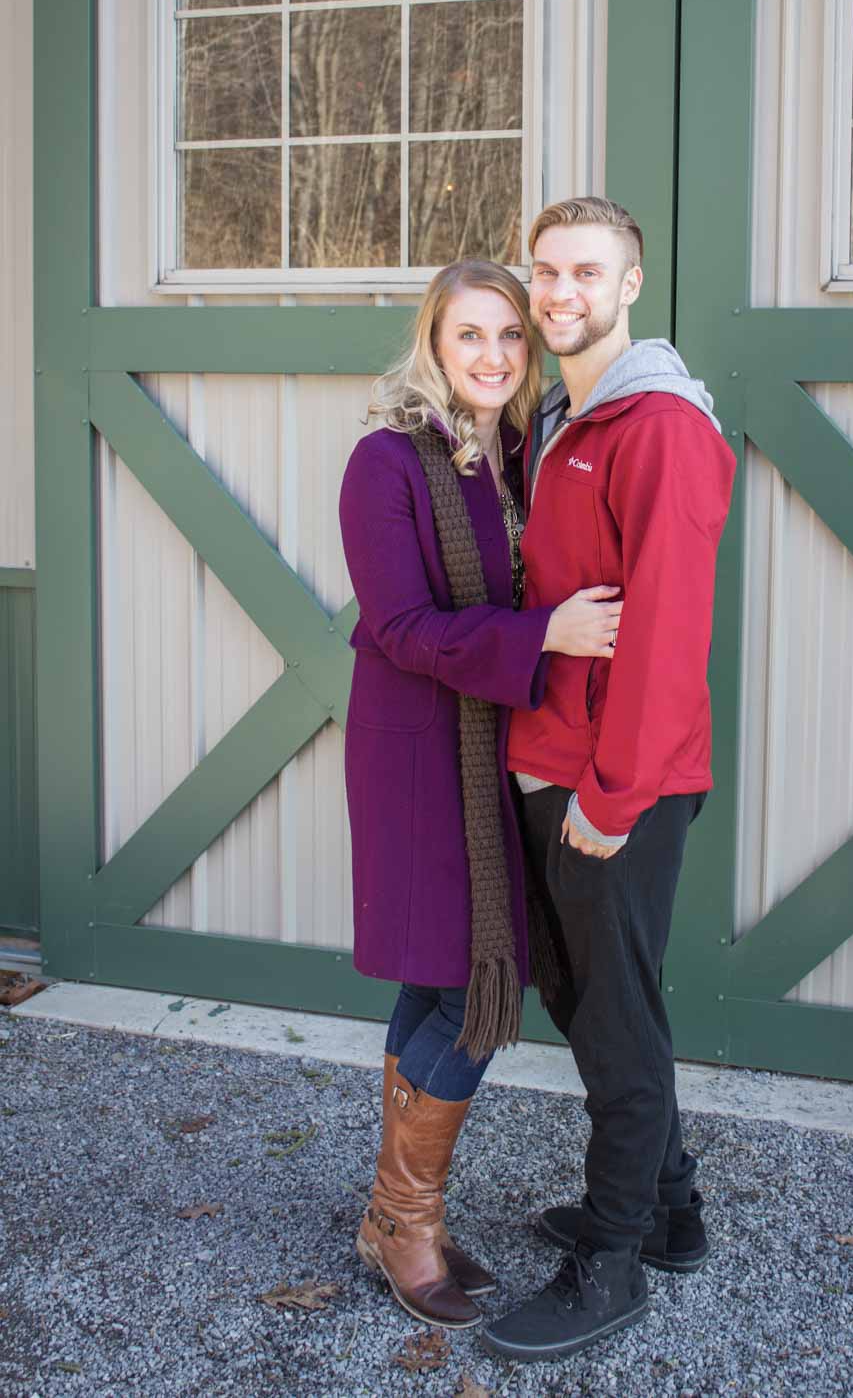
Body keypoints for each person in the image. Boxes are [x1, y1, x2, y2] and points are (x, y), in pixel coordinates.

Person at [338, 259, 623, 1333]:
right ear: (433, 342)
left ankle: (388, 1214)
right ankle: (406, 1219)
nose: (495, 355)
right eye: (470, 335)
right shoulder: (385, 460)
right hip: (417, 755)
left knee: (434, 975)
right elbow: (402, 625)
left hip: (490, 749)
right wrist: (542, 635)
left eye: (511, 335)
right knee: (464, 984)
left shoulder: (514, 453)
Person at [482, 199, 736, 1362]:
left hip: (613, 781)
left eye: (585, 270)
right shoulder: (556, 419)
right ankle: (671, 1211)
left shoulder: (660, 427)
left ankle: (612, 1257)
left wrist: (613, 791)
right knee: (588, 1001)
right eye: (543, 270)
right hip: (551, 757)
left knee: (616, 1019)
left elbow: (667, 633)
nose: (557, 290)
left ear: (629, 283)